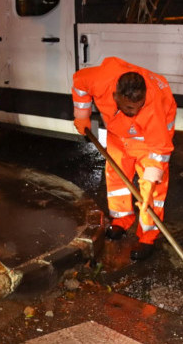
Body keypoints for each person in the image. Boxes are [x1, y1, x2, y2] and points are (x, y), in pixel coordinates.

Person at [72, 57, 177, 261]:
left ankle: (148, 236)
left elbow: (159, 149)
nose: (134, 112)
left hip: (150, 140)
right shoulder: (99, 80)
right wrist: (82, 115)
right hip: (118, 134)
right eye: (129, 108)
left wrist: (151, 182)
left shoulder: (153, 106)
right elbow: (79, 84)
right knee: (117, 177)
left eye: (138, 107)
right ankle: (121, 220)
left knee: (152, 191)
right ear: (115, 96)